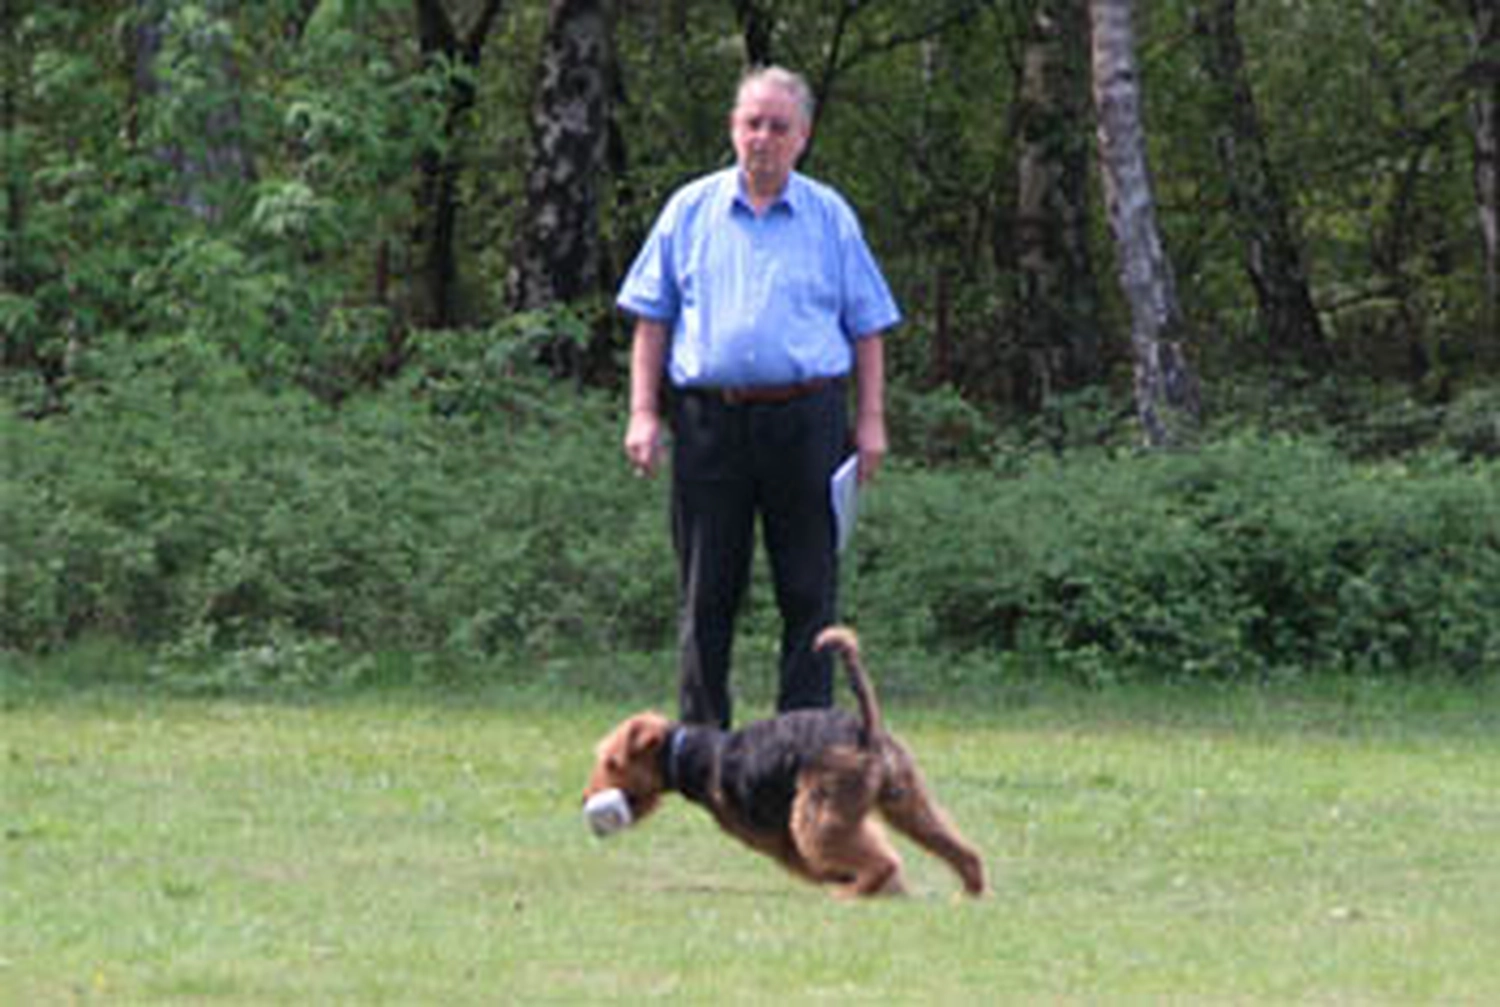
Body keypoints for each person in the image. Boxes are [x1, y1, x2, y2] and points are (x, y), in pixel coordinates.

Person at [616, 65, 901, 729]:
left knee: (808, 588)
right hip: (709, 421)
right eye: (752, 124)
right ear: (732, 129)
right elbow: (651, 320)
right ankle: (701, 744)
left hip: (807, 419)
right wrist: (642, 411)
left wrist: (871, 421)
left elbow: (869, 326)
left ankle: (805, 741)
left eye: (778, 126)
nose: (763, 138)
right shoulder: (689, 211)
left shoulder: (829, 216)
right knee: (706, 588)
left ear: (802, 137)